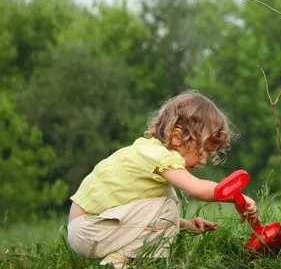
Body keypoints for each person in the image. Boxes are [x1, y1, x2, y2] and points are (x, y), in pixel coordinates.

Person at [66, 90, 258, 268]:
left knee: (168, 199)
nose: (203, 160)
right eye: (203, 150)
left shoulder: (150, 152)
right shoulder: (160, 156)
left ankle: (118, 260)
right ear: (177, 137)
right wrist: (236, 196)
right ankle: (117, 261)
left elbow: (141, 211)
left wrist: (185, 225)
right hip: (89, 230)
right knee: (167, 203)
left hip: (90, 229)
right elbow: (199, 189)